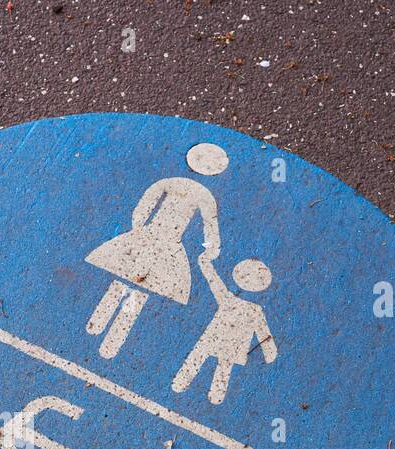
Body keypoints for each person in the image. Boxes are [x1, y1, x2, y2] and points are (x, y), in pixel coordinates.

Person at [84, 143, 228, 359]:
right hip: (164, 242)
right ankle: (108, 340)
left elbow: (145, 206)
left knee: (129, 285)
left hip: (157, 239)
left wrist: (138, 230)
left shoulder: (179, 186)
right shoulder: (201, 194)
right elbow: (210, 227)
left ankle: (100, 332)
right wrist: (211, 250)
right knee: (135, 289)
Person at [171, 257, 275, 404]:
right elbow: (263, 331)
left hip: (217, 337)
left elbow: (214, 282)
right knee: (222, 365)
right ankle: (215, 395)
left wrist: (205, 262)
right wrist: (270, 352)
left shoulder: (231, 300)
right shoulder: (254, 309)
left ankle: (181, 383)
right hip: (233, 344)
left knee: (201, 357)